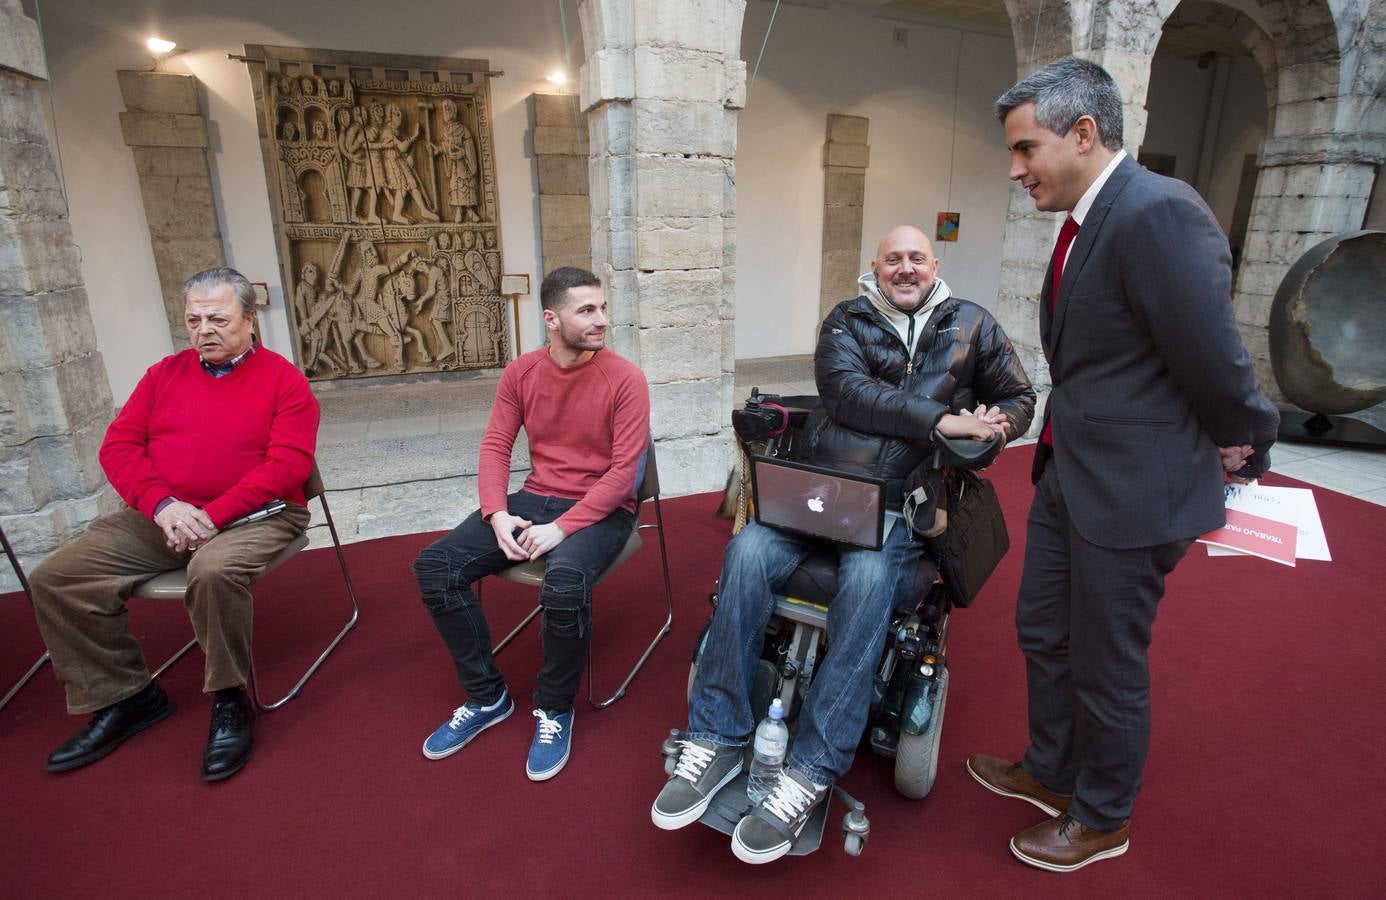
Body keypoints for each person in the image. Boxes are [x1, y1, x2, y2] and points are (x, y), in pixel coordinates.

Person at [966, 57, 1279, 873]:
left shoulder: (1158, 213)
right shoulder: (1084, 223)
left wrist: (1248, 435)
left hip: (1135, 491)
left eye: (1027, 148)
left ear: (1083, 132)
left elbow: (1213, 356)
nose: (1016, 168)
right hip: (1074, 474)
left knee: (1107, 661)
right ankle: (1053, 770)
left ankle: (1102, 816)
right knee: (1042, 629)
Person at [652, 225, 1036, 864]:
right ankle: (716, 735)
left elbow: (1020, 396)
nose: (905, 268)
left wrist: (997, 427)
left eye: (917, 258)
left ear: (935, 264)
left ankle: (811, 768)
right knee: (745, 552)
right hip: (822, 493)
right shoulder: (847, 321)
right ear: (875, 268)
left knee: (865, 582)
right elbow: (848, 395)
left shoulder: (972, 325)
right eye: (894, 259)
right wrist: (942, 418)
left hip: (901, 505)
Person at [28, 267, 320, 782]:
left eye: (218, 318)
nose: (204, 329)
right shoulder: (163, 374)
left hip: (258, 514)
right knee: (58, 577)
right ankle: (126, 695)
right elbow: (117, 446)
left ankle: (230, 698)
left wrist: (212, 515)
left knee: (211, 572)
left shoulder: (284, 380)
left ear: (251, 320)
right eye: (193, 319)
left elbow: (287, 468)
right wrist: (162, 505)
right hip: (167, 515)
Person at [412, 266, 650, 781]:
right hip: (536, 497)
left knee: (563, 585)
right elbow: (497, 444)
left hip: (601, 508)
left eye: (603, 308)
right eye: (587, 310)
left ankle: (554, 706)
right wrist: (496, 513)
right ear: (551, 318)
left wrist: (562, 529)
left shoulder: (625, 378)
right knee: (435, 568)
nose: (602, 320)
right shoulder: (521, 371)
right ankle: (487, 696)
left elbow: (624, 476)